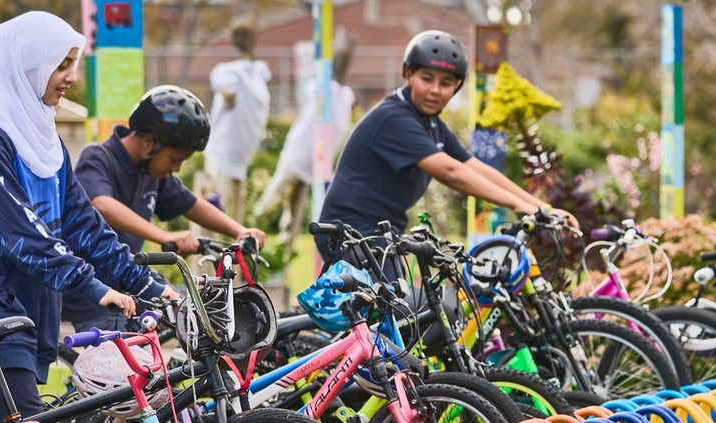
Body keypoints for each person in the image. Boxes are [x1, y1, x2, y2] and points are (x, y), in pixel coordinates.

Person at [0, 12, 177, 423]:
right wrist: (92, 286)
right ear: (28, 65)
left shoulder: (45, 140)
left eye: (73, 65)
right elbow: (20, 233)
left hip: (23, 309)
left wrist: (152, 285)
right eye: (60, 65)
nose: (70, 77)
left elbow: (85, 227)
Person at [315, 30, 578, 273]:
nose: (434, 90)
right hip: (350, 233)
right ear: (408, 74)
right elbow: (451, 171)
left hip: (380, 233)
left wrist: (542, 208)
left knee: (419, 316)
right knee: (396, 318)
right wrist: (519, 205)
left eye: (446, 83)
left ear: (456, 87)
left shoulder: (431, 124)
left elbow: (474, 167)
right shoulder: (394, 118)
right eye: (426, 79)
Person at [67, 85, 267, 332]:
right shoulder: (99, 157)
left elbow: (191, 204)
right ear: (149, 142)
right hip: (93, 289)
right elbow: (101, 204)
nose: (177, 169)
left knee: (191, 319)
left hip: (130, 280)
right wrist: (164, 236)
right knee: (126, 360)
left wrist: (239, 230)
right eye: (175, 160)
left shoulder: (152, 173)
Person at [254, 45, 356, 249]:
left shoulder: (345, 95)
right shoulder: (321, 87)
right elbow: (313, 92)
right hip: (298, 155)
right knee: (272, 198)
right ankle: (251, 227)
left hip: (316, 164)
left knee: (295, 211)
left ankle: (284, 251)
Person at [198, 20, 271, 224]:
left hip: (240, 153)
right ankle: (212, 252)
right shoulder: (229, 72)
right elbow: (226, 90)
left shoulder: (256, 72)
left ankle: (235, 250)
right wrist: (228, 95)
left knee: (232, 210)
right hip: (223, 152)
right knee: (215, 207)